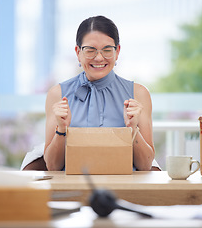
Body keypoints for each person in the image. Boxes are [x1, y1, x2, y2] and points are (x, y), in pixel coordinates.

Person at [22, 15, 158, 171]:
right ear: (78, 52)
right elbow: (53, 166)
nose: (99, 58)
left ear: (117, 51)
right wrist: (61, 128)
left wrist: (133, 128)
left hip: (124, 189)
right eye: (90, 50)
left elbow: (145, 165)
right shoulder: (57, 94)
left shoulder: (138, 93)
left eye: (107, 50)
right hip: (73, 189)